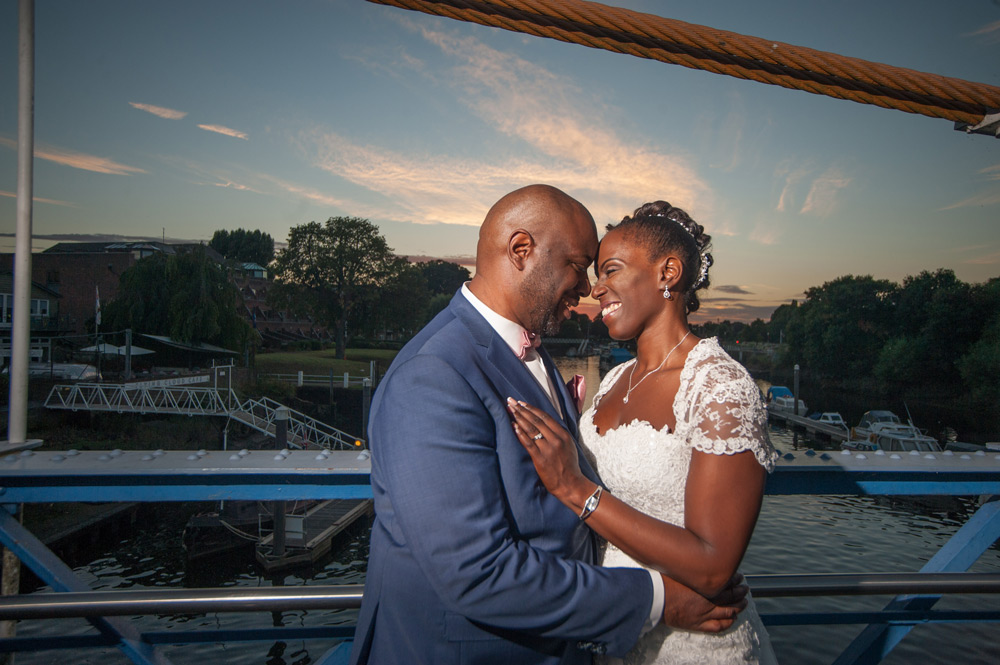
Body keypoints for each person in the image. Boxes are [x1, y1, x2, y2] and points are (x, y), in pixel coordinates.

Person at [349, 186, 749, 665]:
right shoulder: (432, 374)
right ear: (522, 250)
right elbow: (476, 573)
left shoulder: (528, 352)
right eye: (580, 265)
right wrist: (657, 599)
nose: (587, 288)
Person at [509, 201, 779, 664]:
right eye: (596, 274)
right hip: (618, 631)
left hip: (695, 644)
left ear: (667, 272)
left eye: (610, 270)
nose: (596, 288)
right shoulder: (616, 379)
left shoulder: (719, 387)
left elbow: (714, 568)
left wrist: (576, 489)